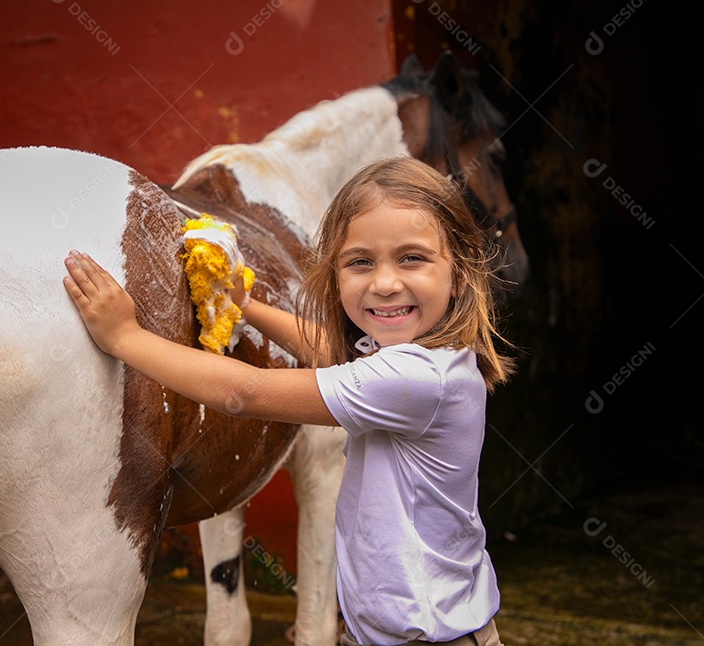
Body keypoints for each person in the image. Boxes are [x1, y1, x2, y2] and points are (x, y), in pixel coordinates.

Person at [63, 156, 513, 646]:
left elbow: (243, 393)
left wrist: (126, 338)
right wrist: (247, 307)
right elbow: (326, 349)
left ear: (462, 270)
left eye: (412, 258)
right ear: (336, 271)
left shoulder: (415, 379)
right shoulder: (432, 357)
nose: (384, 283)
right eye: (361, 261)